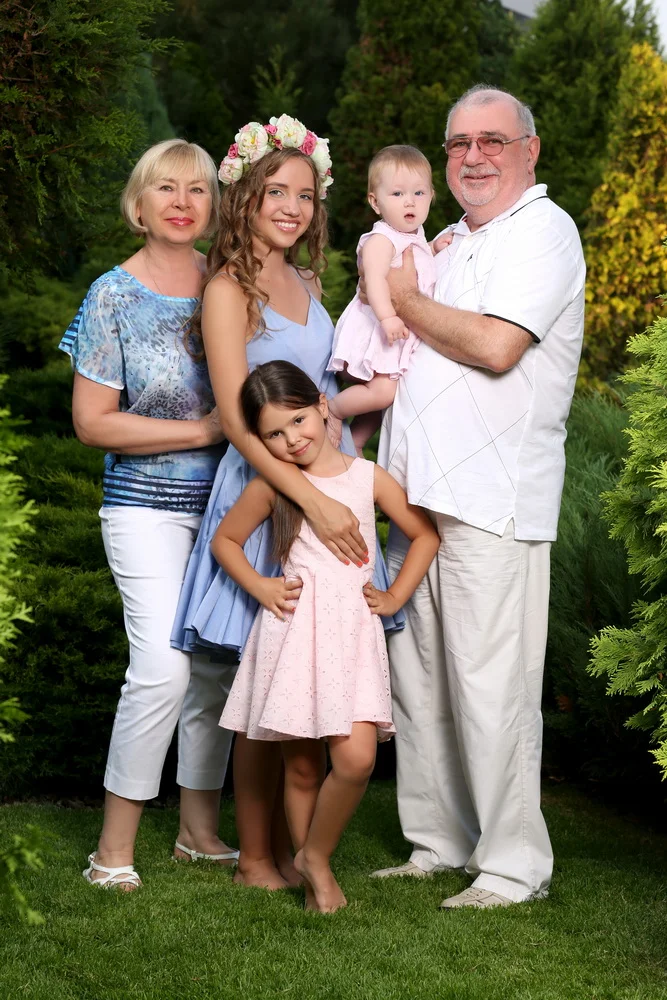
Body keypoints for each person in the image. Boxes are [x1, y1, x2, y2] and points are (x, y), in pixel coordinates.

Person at [171, 116, 404, 891]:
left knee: (293, 678)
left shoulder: (304, 283)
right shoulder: (226, 287)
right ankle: (257, 857)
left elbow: (326, 389)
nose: (292, 207)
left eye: (304, 195)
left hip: (321, 479)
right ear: (245, 195)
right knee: (257, 676)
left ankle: (290, 849)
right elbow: (238, 416)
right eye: (277, 192)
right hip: (265, 486)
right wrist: (309, 497)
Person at [372, 85, 586, 908]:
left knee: (492, 686)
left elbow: (497, 346)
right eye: (458, 142)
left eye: (491, 140)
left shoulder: (545, 230)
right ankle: (438, 842)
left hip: (490, 500)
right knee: (419, 680)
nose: (472, 156)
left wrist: (408, 302)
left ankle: (510, 866)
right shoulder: (454, 237)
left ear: (528, 150)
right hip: (415, 498)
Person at [59, 139, 238, 890]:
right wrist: (202, 431)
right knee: (162, 669)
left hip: (227, 507)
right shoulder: (113, 295)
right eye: (164, 188)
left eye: (197, 189)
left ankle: (198, 832)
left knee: (215, 671)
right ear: (138, 205)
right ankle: (112, 851)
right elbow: (93, 422)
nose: (181, 200)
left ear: (212, 207)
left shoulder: (229, 286)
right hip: (143, 508)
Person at [215, 361, 439, 913]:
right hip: (294, 636)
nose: (292, 439)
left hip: (352, 635)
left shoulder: (367, 478)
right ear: (261, 440)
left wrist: (394, 597)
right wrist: (262, 588)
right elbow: (225, 541)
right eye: (274, 433)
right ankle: (317, 879)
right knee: (303, 765)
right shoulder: (275, 486)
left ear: (320, 403)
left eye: (298, 419)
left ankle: (314, 855)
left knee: (358, 758)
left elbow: (423, 536)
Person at [327, 145, 450, 451]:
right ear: (376, 202)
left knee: (383, 403)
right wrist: (387, 317)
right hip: (377, 330)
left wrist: (433, 248)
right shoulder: (381, 239)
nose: (409, 201)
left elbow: (416, 261)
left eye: (419, 193)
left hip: (394, 333)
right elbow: (375, 280)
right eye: (397, 194)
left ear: (431, 196)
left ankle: (351, 447)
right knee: (382, 393)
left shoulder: (415, 235)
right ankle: (332, 409)